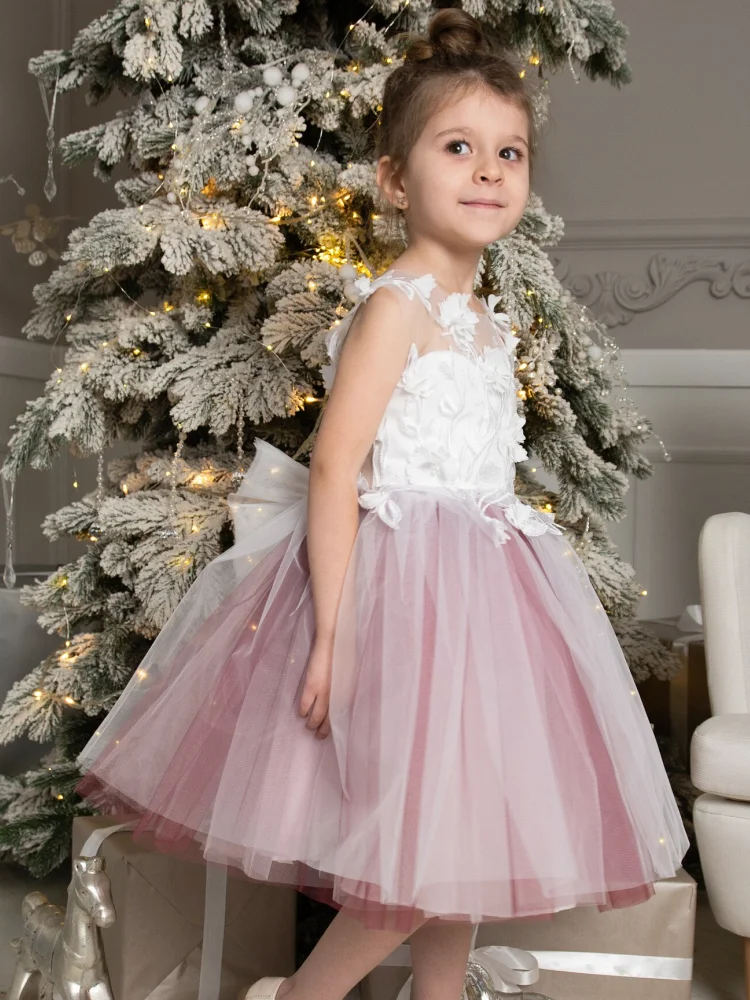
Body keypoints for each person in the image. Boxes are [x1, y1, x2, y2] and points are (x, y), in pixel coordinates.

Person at [74, 9, 689, 1000]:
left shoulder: (488, 322)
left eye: (509, 152)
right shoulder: (392, 309)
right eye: (459, 148)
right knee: (405, 869)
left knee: (456, 850)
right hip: (401, 604)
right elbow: (336, 473)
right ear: (397, 179)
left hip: (492, 606)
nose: (488, 171)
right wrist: (331, 635)